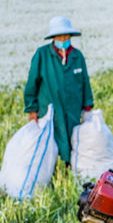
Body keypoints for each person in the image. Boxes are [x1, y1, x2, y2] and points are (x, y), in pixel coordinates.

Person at [23, 16, 94, 165]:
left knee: (72, 140)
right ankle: (55, 172)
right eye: (60, 36)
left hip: (73, 110)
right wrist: (32, 110)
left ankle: (69, 171)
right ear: (53, 37)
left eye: (66, 36)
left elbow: (85, 82)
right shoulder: (42, 55)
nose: (63, 38)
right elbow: (32, 83)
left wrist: (87, 107)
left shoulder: (77, 56)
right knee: (52, 142)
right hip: (50, 110)